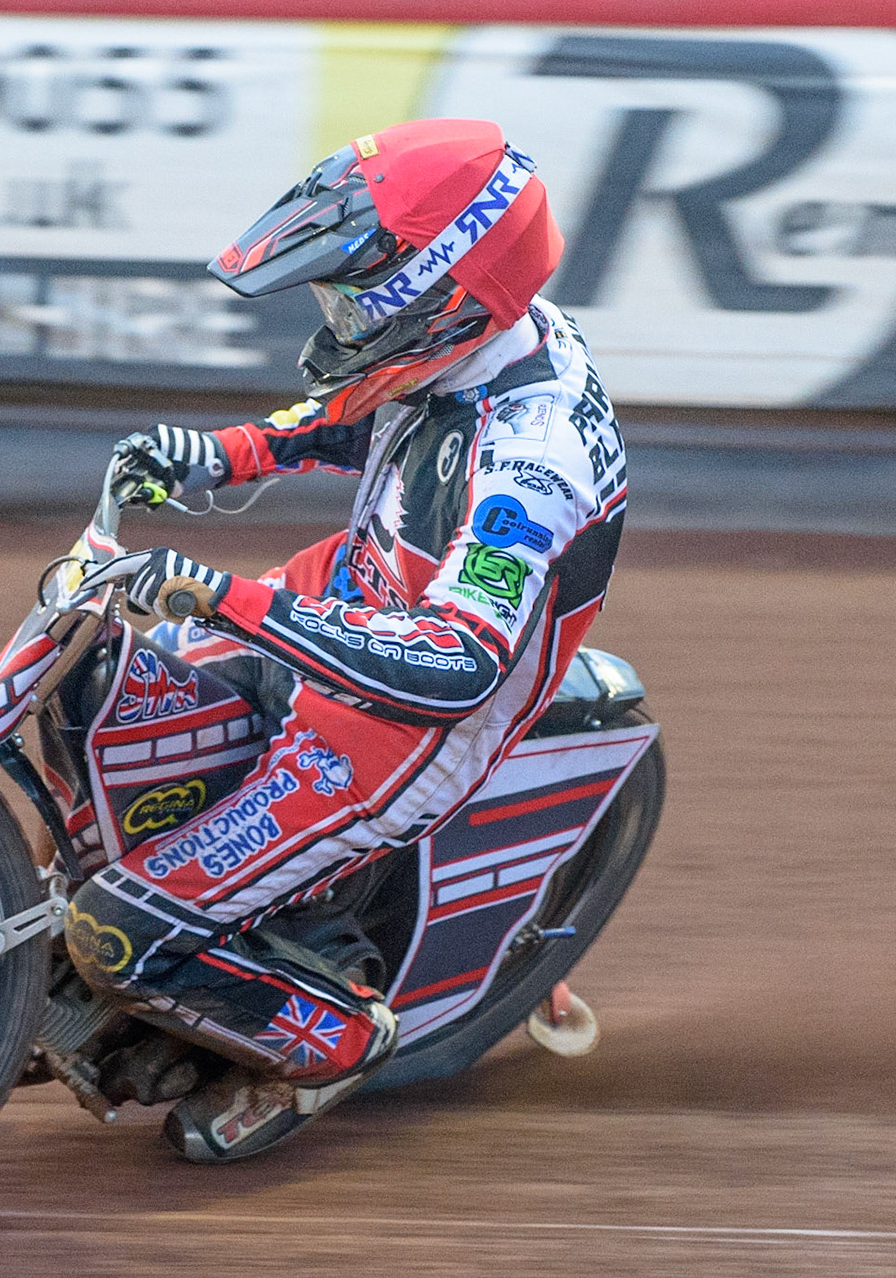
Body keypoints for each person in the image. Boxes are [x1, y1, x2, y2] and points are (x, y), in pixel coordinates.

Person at [64, 118, 629, 1163]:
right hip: (351, 593)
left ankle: (338, 1041)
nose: (331, 322)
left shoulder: (529, 466)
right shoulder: (490, 332)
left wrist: (223, 600)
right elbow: (373, 413)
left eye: (350, 301)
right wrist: (218, 453)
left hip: (396, 728)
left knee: (117, 930)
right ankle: (265, 916)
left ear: (446, 299)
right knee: (104, 708)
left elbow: (456, 664)